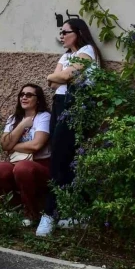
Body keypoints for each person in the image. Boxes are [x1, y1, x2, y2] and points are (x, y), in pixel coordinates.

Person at [40, 18, 102, 236]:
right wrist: (58, 78)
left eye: (65, 32)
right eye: (61, 32)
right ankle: (76, 213)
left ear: (78, 32)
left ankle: (49, 215)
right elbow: (56, 83)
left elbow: (64, 76)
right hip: (60, 105)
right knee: (65, 160)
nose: (62, 36)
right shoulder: (66, 55)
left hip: (75, 104)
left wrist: (53, 75)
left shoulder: (87, 50)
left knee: (59, 158)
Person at [0, 84, 51, 224]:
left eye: (29, 95)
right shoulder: (13, 118)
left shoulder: (43, 117)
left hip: (41, 165)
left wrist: (13, 146)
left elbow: (36, 145)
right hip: (16, 163)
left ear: (38, 99)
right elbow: (4, 145)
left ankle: (31, 214)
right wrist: (22, 125)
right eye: (22, 94)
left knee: (23, 168)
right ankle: (15, 207)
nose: (24, 97)